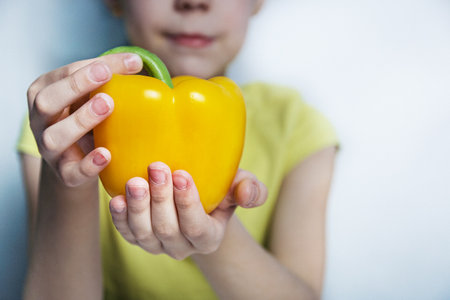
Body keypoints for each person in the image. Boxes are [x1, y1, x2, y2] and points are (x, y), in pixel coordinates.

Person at [17, 0, 339, 299]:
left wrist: (213, 238)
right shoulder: (61, 121)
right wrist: (67, 182)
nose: (193, 1)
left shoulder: (295, 125)